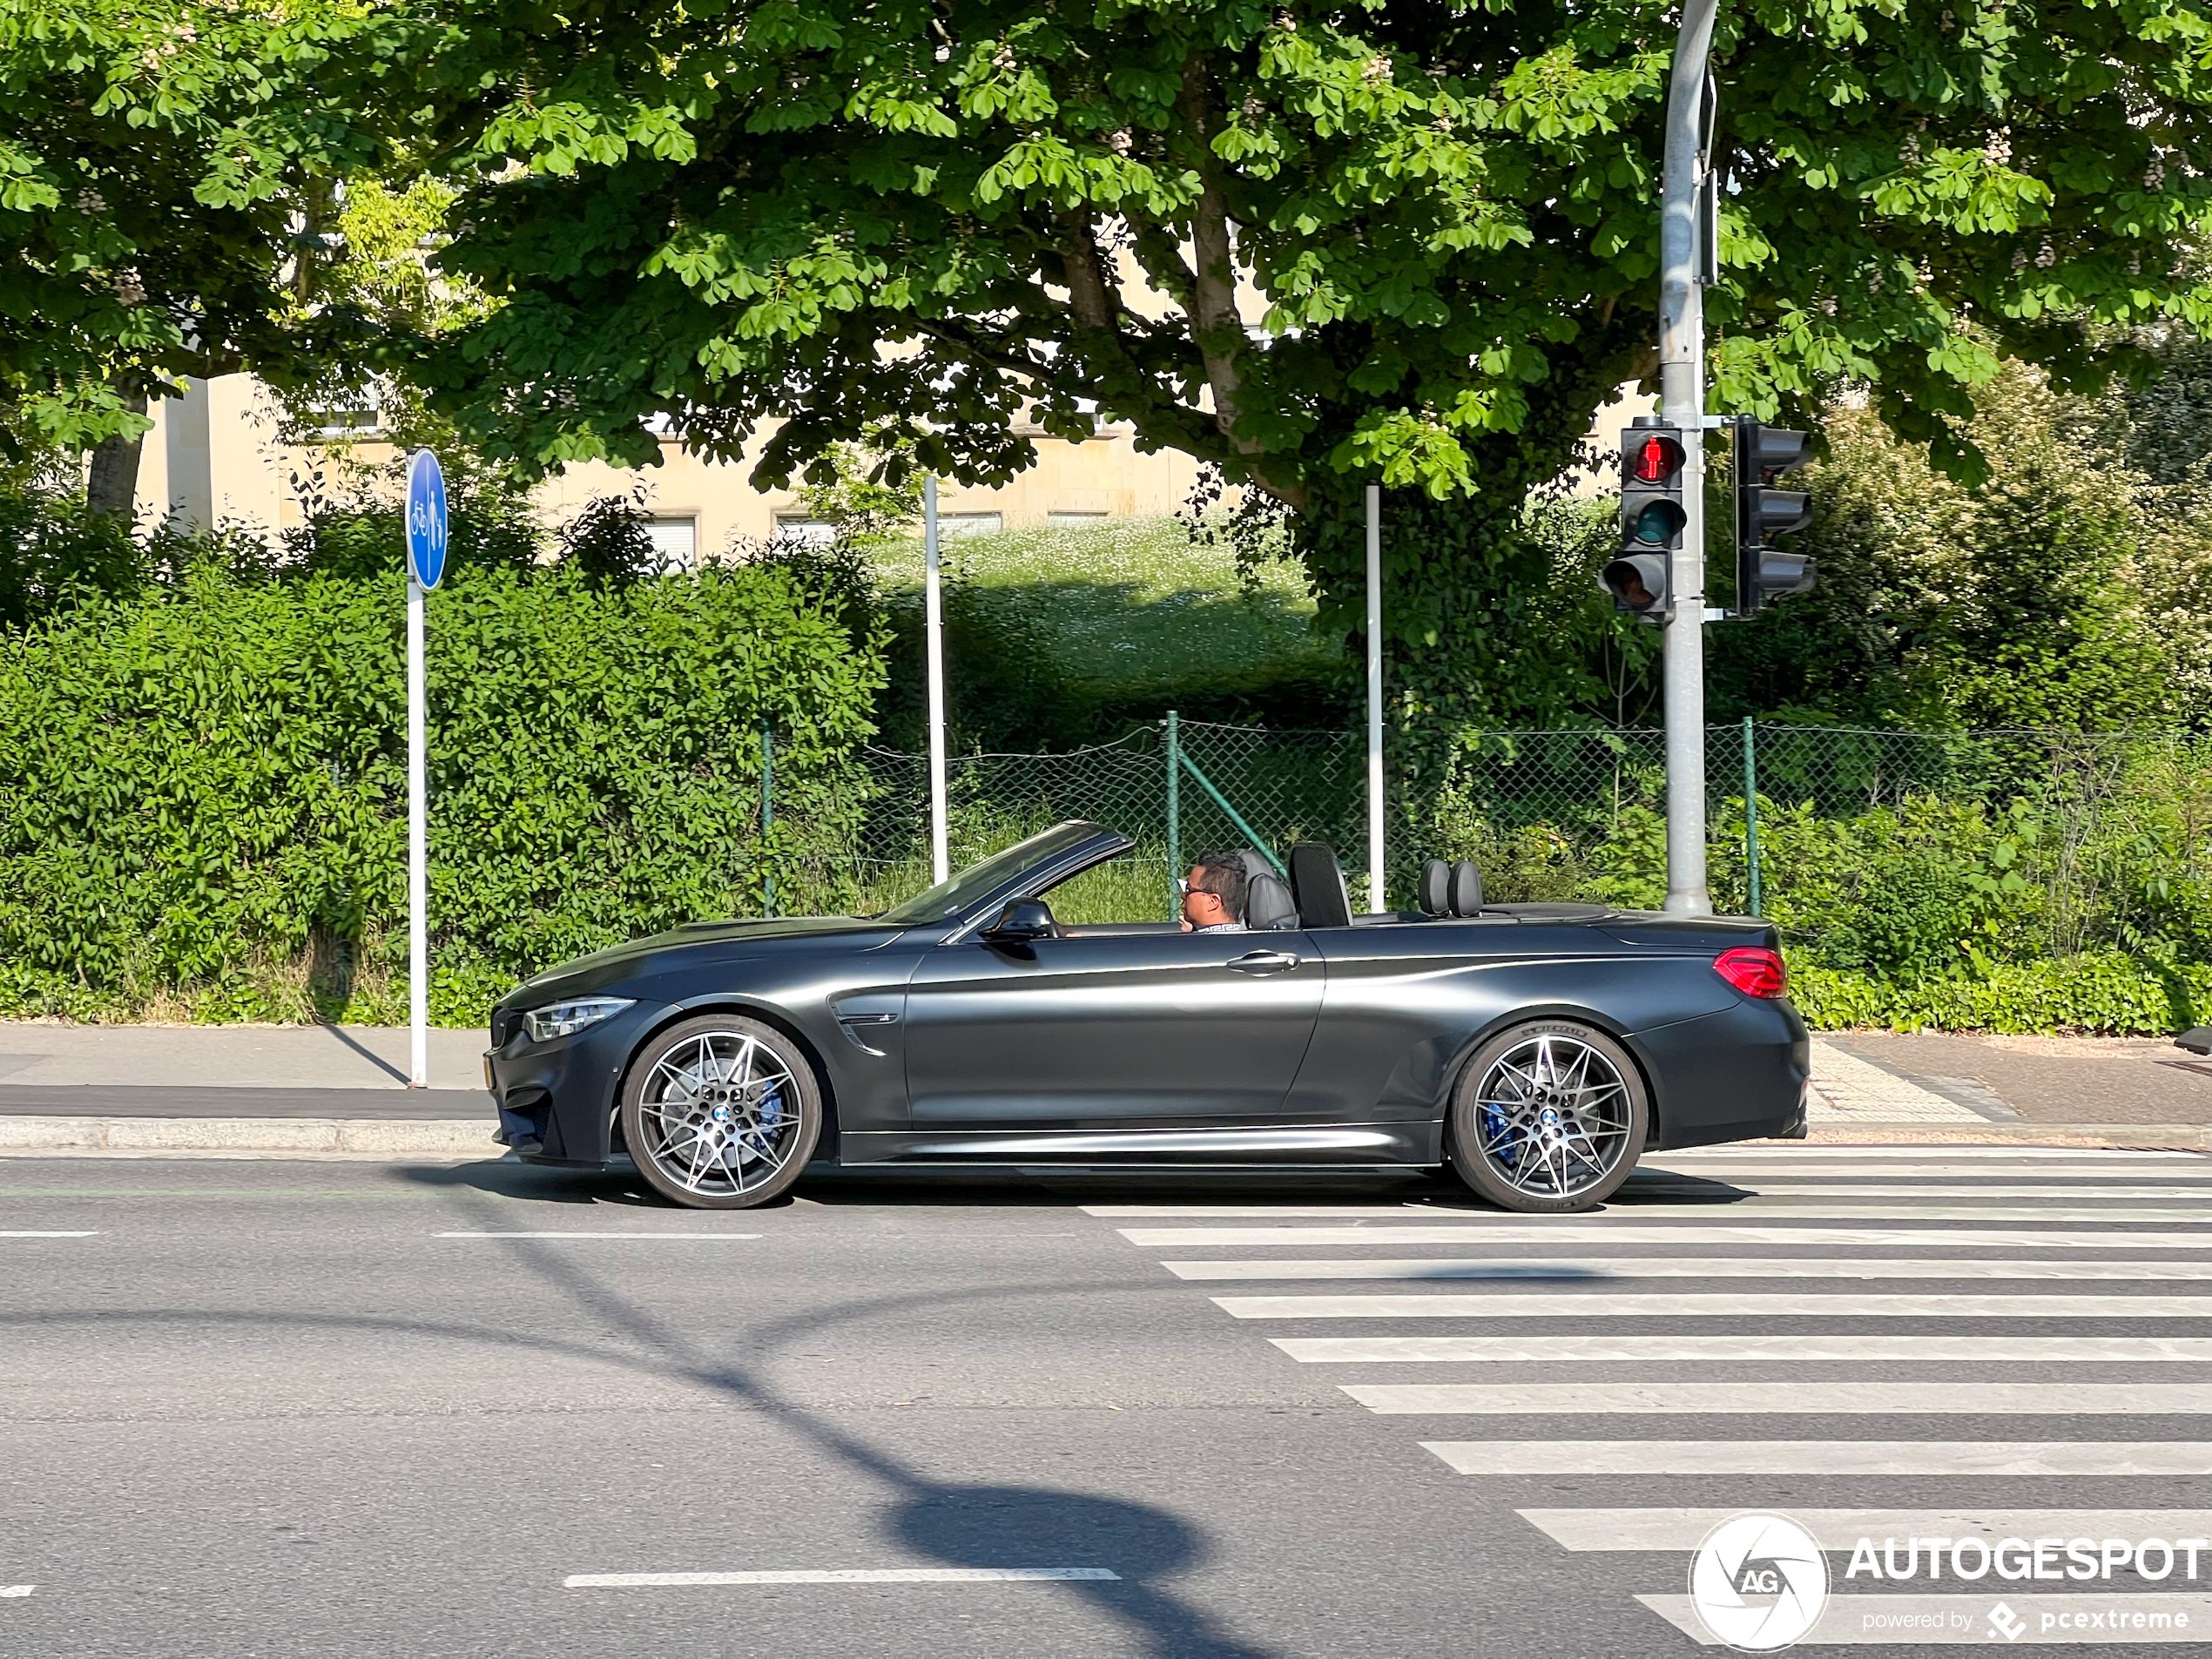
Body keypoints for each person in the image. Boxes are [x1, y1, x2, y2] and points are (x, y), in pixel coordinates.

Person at [1179, 851, 1249, 933]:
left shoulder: (1202, 944)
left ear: (1213, 902)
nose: (1183, 895)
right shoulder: (1241, 941)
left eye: (1189, 890)